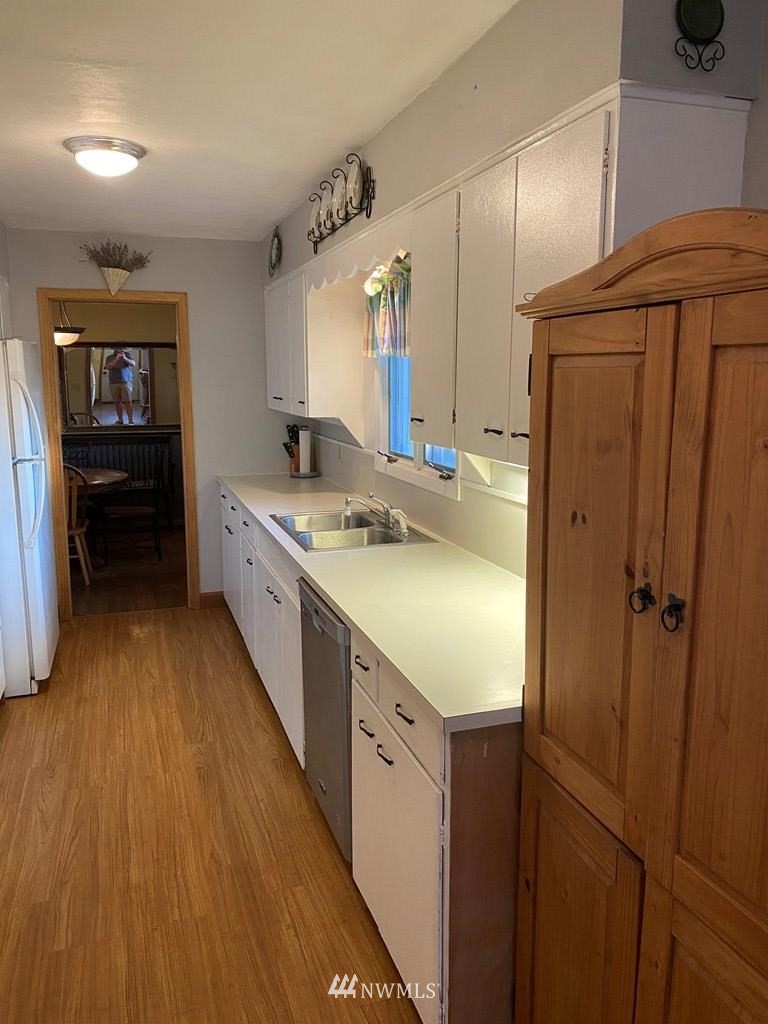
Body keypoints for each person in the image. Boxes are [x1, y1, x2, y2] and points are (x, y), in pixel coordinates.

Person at [105, 347, 136, 425]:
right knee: (117, 402)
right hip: (113, 382)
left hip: (126, 382)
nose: (119, 348)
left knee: (128, 402)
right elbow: (108, 367)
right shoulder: (109, 357)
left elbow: (133, 364)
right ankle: (120, 420)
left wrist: (125, 358)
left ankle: (130, 421)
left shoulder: (127, 354)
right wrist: (116, 359)